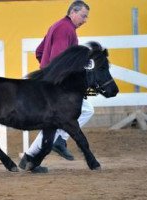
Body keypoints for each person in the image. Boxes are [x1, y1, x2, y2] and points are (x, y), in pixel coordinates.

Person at [19, 0, 94, 173]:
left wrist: (45, 69)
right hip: (56, 85)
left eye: (86, 17)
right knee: (86, 110)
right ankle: (59, 140)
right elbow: (59, 60)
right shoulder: (66, 29)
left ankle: (29, 157)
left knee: (51, 123)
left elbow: (39, 52)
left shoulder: (57, 26)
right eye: (83, 16)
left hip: (48, 82)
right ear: (73, 12)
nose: (85, 20)